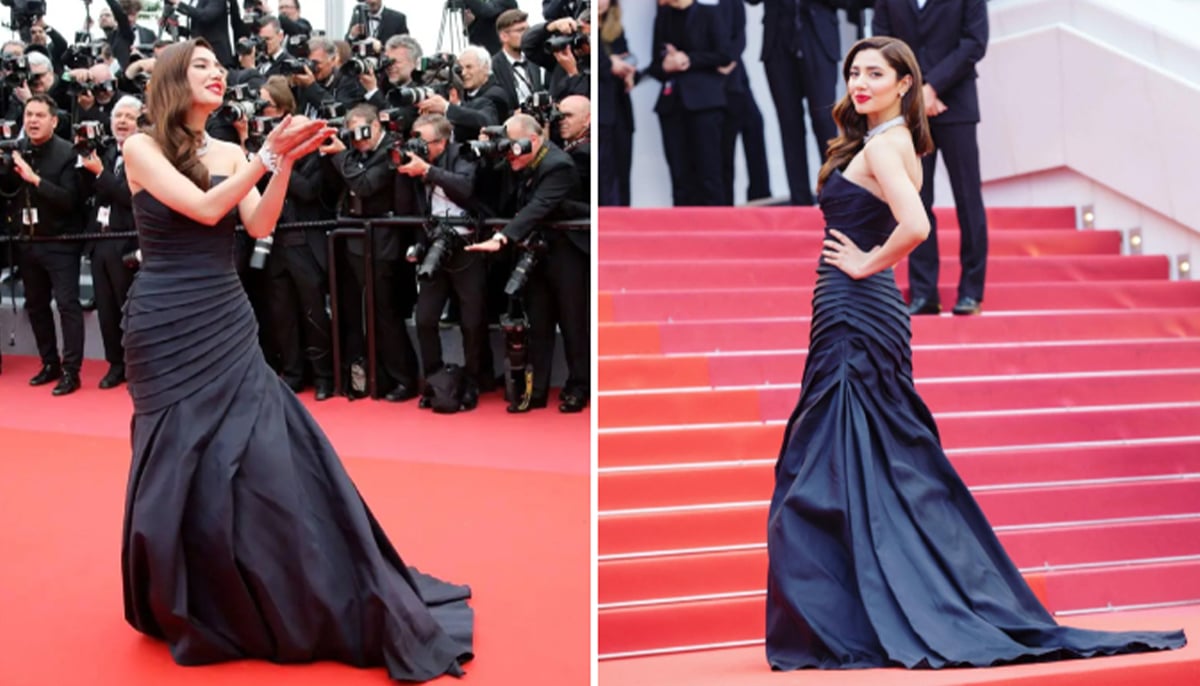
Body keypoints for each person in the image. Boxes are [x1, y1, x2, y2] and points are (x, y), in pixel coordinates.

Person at [765, 36, 1185, 670]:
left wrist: (865, 264)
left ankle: (860, 608)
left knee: (827, 463)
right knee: (870, 458)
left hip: (855, 309)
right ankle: (879, 598)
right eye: (854, 71)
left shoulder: (882, 144)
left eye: (875, 73)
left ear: (905, 83)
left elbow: (917, 226)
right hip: (862, 309)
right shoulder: (891, 141)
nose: (860, 81)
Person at [120, 39, 473, 681]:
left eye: (221, 67)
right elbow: (203, 208)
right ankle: (190, 587)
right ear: (174, 78)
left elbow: (257, 224)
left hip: (223, 313)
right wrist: (266, 155)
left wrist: (279, 166)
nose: (217, 74)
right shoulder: (141, 146)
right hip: (165, 318)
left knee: (255, 448)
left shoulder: (230, 150)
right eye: (202, 65)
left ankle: (273, 581)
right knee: (178, 448)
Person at [873, 0, 989, 316]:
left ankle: (971, 291)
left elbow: (974, 42)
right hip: (910, 111)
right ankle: (924, 293)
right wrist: (917, 94)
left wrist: (934, 86)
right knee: (916, 201)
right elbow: (882, 43)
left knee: (968, 198)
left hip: (957, 105)